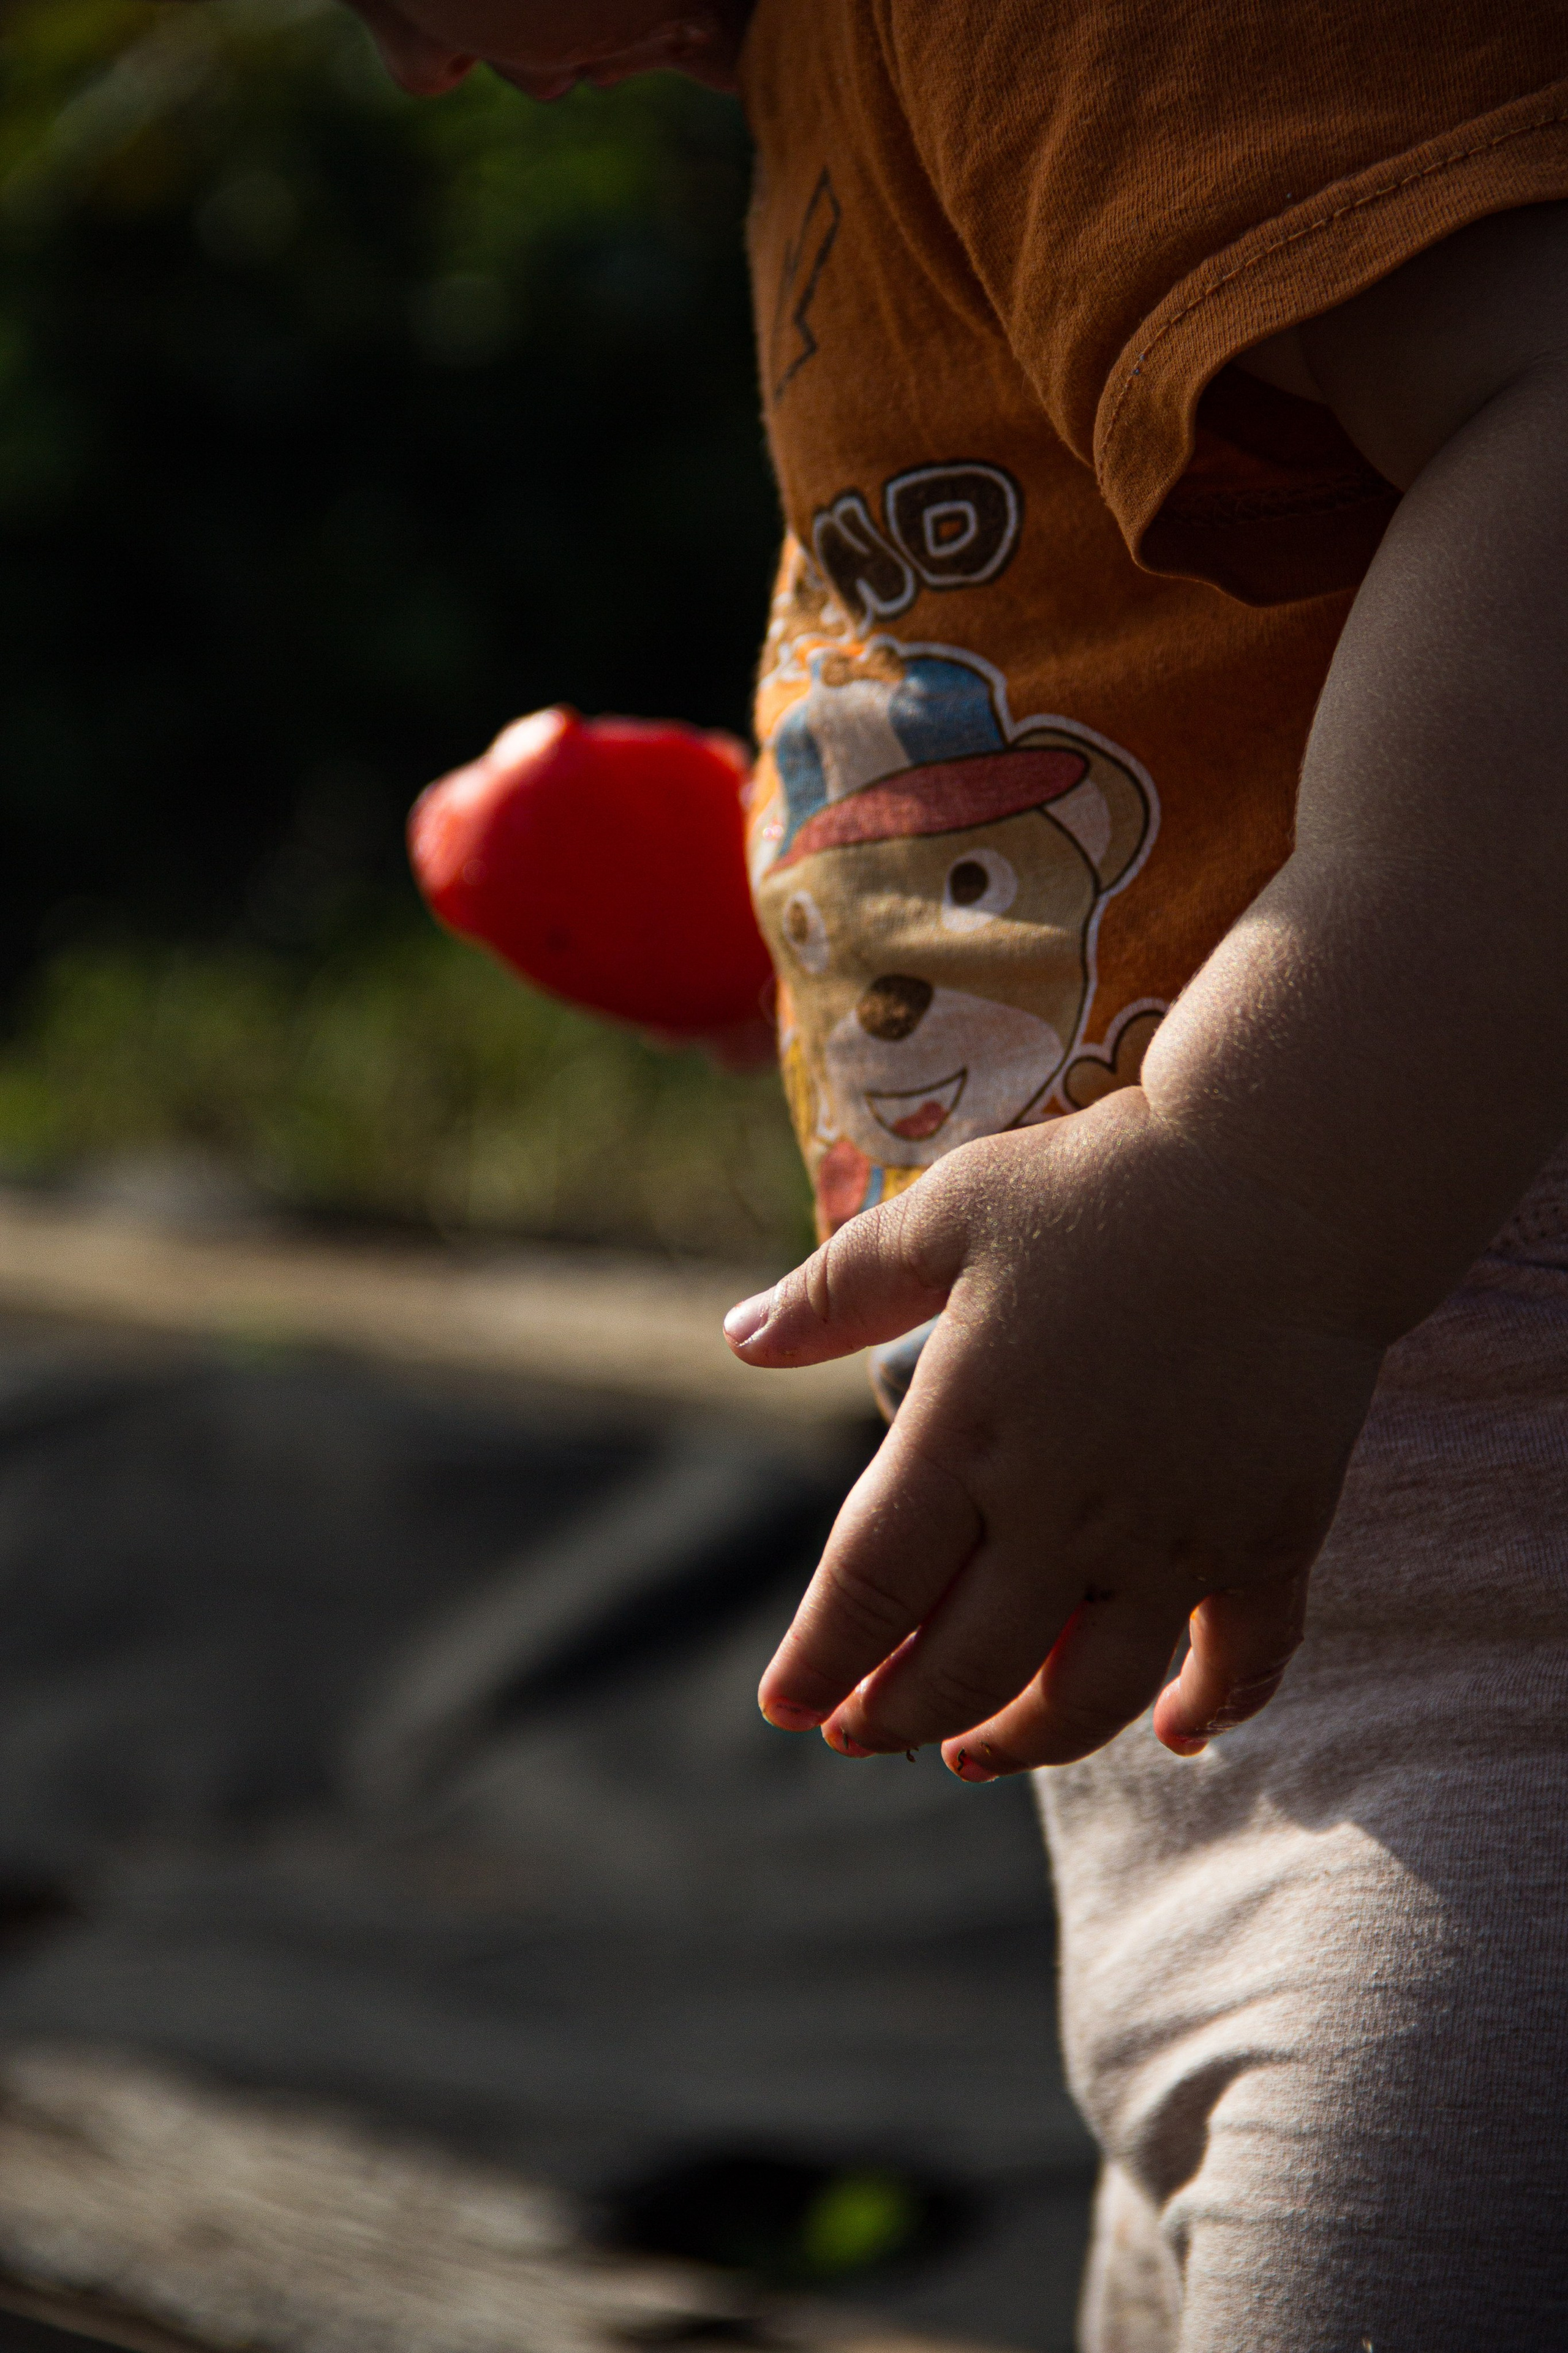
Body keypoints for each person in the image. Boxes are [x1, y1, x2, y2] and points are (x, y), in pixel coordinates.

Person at [278, 0, 1568, 2340]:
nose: (396, 48)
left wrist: (1264, 1177)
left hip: (1505, 1706)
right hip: (1236, 1771)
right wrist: (792, 914)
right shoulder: (833, 73)